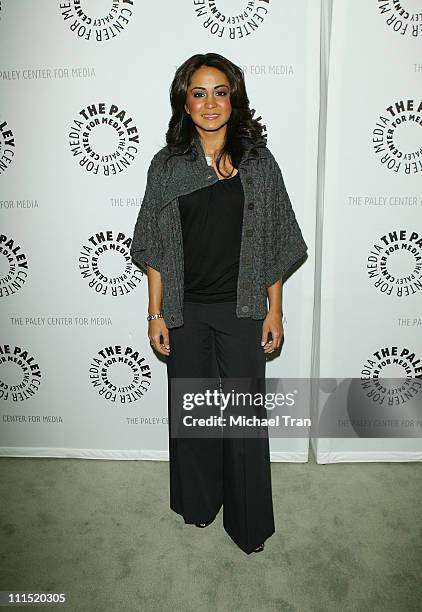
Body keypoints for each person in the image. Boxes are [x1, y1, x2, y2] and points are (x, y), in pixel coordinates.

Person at [130, 52, 308, 555]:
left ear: (235, 99)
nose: (211, 103)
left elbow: (275, 241)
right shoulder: (166, 167)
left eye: (221, 91)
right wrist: (155, 313)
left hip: (243, 308)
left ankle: (248, 524)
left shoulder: (258, 163)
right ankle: (199, 505)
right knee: (192, 413)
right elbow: (156, 248)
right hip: (186, 311)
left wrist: (274, 309)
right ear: (184, 103)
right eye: (199, 93)